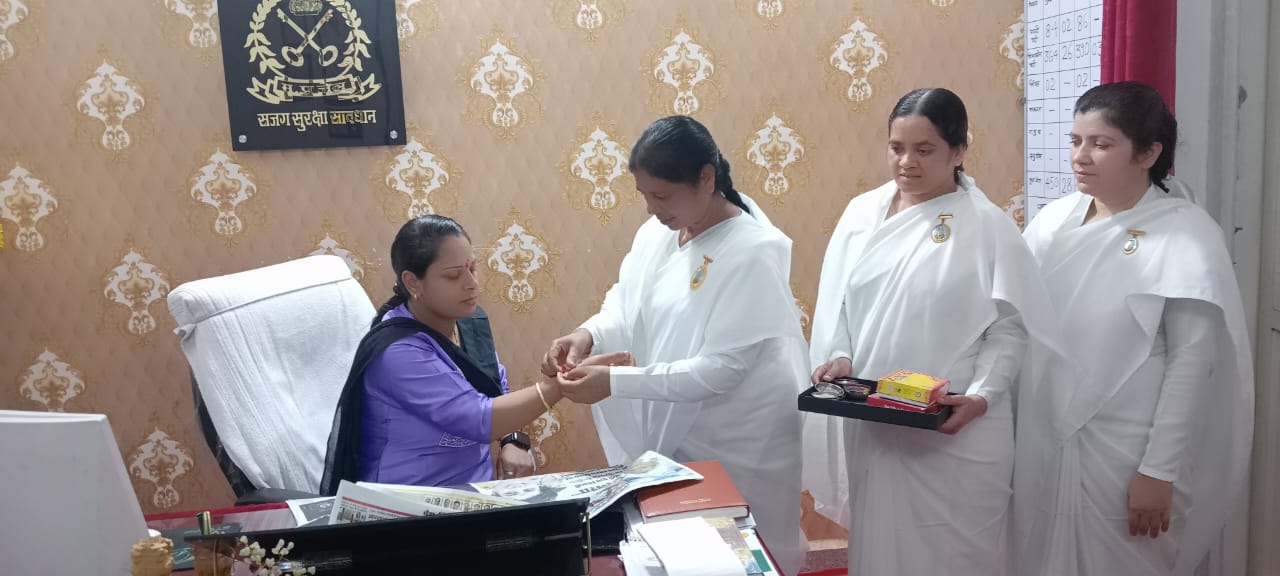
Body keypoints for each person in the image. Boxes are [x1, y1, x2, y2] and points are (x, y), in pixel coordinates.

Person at [804, 88, 1064, 576]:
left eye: (925, 150)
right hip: (878, 423)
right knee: (882, 551)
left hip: (956, 431)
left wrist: (983, 396)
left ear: (959, 150)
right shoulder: (861, 214)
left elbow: (1010, 330)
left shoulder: (987, 226)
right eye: (897, 147)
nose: (907, 162)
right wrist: (840, 357)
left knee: (955, 558)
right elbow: (839, 303)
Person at [542, 115, 808, 576]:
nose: (651, 209)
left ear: (706, 178)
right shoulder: (659, 233)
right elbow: (625, 305)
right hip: (675, 421)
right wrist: (587, 335)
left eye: (662, 196)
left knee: (739, 555)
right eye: (644, 195)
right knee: (676, 550)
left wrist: (615, 382)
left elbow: (722, 369)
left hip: (741, 434)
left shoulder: (752, 250)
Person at [1016, 81, 1253, 576]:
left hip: (1127, 446)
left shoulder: (1186, 235)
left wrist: (1157, 470)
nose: (1080, 156)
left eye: (1101, 144)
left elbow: (1191, 361)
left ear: (1148, 153)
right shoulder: (1052, 221)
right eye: (1076, 141)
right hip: (1045, 432)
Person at [319, 215, 627, 494]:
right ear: (413, 282)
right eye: (454, 276)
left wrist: (513, 439)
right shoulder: (398, 352)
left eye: (473, 268)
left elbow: (495, 389)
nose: (472, 283)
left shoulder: (468, 323)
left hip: (475, 494)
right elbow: (477, 418)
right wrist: (561, 384)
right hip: (407, 506)